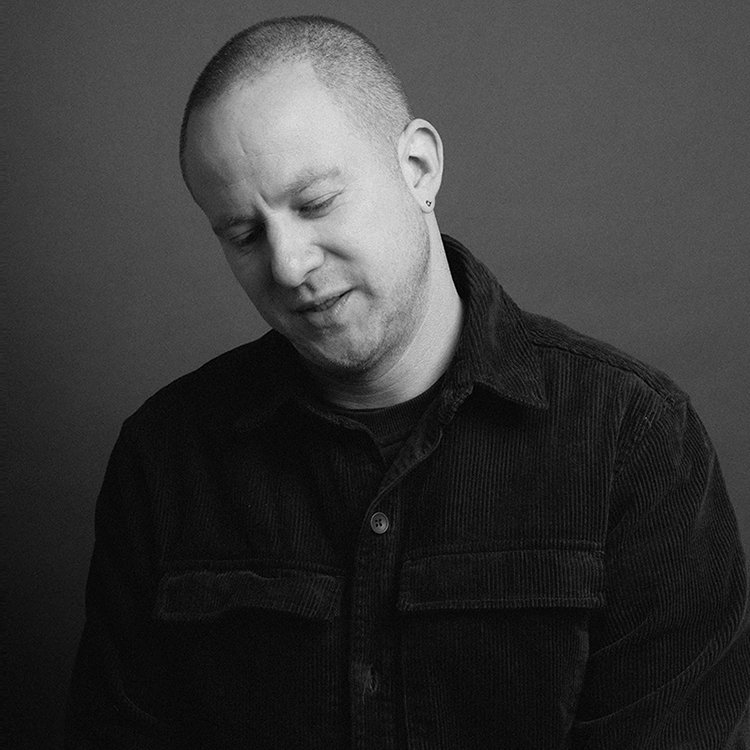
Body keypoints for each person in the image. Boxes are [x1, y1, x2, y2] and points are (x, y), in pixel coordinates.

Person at [66, 15, 749, 749]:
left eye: (315, 203)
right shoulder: (164, 459)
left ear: (419, 168)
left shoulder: (634, 440)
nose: (289, 265)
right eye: (244, 234)